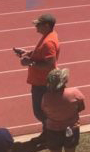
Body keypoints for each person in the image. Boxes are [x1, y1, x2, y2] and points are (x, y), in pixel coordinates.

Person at [14, 13, 60, 143]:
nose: (35, 27)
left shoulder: (49, 42)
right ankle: (48, 133)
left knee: (40, 112)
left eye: (38, 24)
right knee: (43, 112)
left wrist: (30, 63)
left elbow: (50, 63)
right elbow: (42, 55)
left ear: (46, 25)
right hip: (41, 81)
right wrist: (28, 53)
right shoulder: (49, 36)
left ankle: (52, 134)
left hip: (42, 83)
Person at [40, 69, 85, 152]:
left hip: (52, 131)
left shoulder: (46, 97)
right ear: (64, 81)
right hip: (71, 129)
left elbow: (45, 112)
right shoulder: (74, 93)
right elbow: (81, 107)